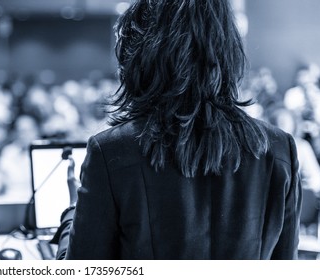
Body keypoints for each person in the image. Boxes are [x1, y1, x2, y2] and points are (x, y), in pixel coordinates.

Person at [52, 0, 301, 260]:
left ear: (138, 54)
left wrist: (72, 213)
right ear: (228, 49)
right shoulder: (279, 150)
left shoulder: (111, 152)